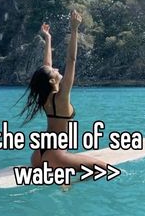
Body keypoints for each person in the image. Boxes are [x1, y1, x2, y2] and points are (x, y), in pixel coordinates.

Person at [20, 10, 108, 174]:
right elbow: (71, 60)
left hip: (38, 155)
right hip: (56, 155)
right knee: (104, 169)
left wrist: (48, 38)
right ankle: (69, 182)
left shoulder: (45, 95)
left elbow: (46, 64)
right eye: (54, 71)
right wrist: (74, 30)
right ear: (52, 81)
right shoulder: (62, 96)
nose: (56, 68)